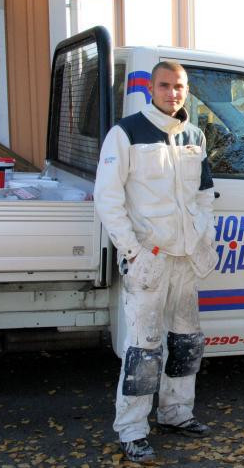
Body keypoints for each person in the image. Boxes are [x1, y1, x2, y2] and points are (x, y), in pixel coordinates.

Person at [94, 61, 217, 462]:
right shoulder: (126, 133)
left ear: (187, 89)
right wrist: (132, 251)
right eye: (165, 86)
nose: (172, 93)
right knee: (144, 349)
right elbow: (108, 199)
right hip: (150, 260)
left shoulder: (195, 135)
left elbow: (204, 195)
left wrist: (203, 241)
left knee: (185, 342)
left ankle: (176, 414)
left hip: (184, 261)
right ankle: (132, 429)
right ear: (151, 87)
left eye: (179, 86)